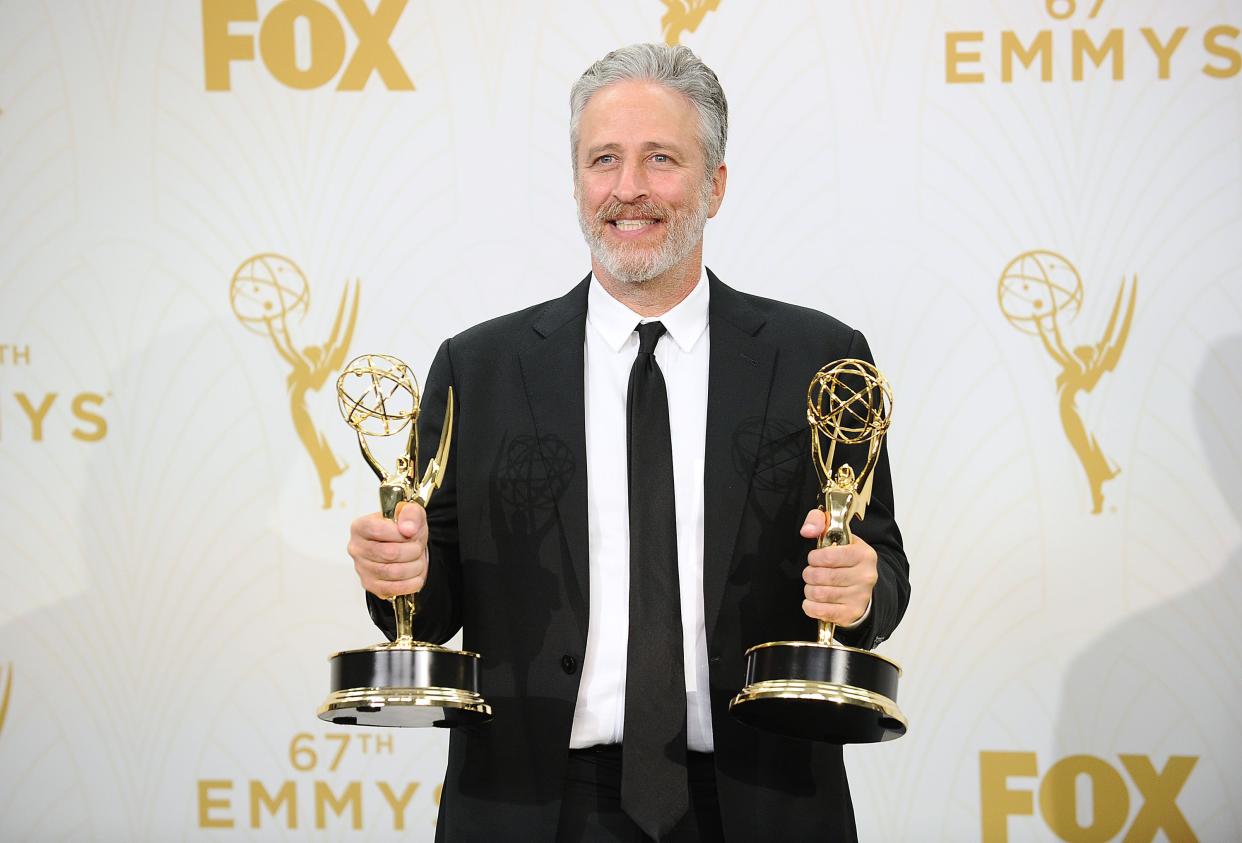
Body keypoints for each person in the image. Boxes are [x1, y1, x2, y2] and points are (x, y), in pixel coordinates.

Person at [347, 43, 910, 842]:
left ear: (715, 185)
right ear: (577, 182)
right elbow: (430, 609)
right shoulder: (478, 368)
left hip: (760, 800)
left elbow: (882, 565)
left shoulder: (818, 358)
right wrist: (399, 575)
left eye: (661, 159)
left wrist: (861, 589)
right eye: (603, 159)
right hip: (534, 806)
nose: (629, 189)